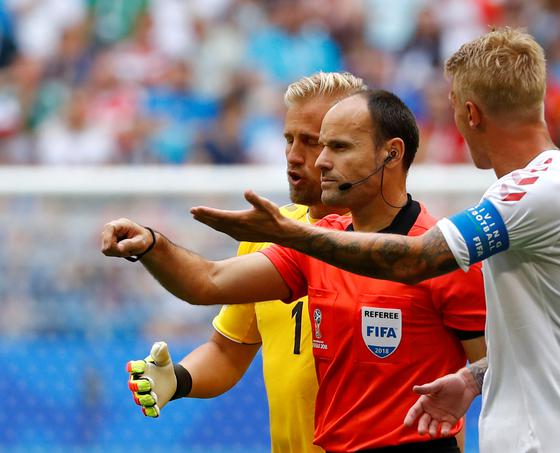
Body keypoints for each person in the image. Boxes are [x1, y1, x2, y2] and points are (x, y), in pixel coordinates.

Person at [190, 28, 560, 453]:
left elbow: (415, 259)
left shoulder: (540, 190)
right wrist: (473, 379)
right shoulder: (543, 192)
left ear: (470, 114)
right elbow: (540, 346)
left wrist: (293, 235)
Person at [102, 89, 487, 452]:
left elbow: (502, 368)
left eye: (332, 145)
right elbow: (207, 282)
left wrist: (471, 382)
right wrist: (153, 244)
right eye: (291, 140)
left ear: (391, 154)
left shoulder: (443, 256)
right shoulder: (311, 243)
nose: (317, 160)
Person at [124, 71, 366, 453]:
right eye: (289, 139)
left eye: (311, 141)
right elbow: (227, 352)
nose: (293, 156)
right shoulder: (268, 235)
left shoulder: (397, 246)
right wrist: (179, 378)